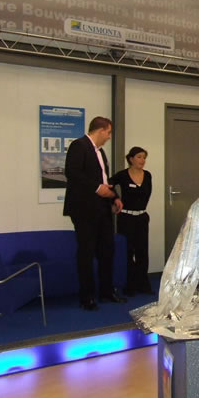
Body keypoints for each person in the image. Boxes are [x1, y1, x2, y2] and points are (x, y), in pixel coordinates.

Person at [64, 116, 127, 311]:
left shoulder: (100, 152)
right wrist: (97, 188)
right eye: (108, 133)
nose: (109, 137)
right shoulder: (79, 146)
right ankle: (87, 297)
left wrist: (114, 197)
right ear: (100, 130)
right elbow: (72, 173)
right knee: (86, 252)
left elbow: (104, 179)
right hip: (84, 209)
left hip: (102, 208)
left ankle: (106, 291)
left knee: (107, 251)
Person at [109, 146, 153, 296]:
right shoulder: (122, 175)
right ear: (131, 159)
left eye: (144, 157)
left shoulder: (148, 175)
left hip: (141, 217)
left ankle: (143, 284)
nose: (142, 160)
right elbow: (108, 185)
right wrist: (114, 200)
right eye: (139, 157)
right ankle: (130, 285)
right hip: (126, 218)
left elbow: (147, 195)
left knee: (142, 251)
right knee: (127, 251)